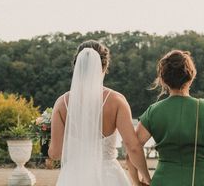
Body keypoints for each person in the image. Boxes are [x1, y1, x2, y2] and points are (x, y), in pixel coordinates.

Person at [49, 40, 151, 186]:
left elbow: (55, 153)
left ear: (77, 66)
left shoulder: (61, 103)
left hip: (73, 176)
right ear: (105, 65)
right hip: (108, 176)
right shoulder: (116, 100)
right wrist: (145, 177)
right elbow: (132, 146)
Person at [128, 50, 204, 186]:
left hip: (164, 180)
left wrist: (142, 180)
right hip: (201, 180)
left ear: (163, 80)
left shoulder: (153, 111)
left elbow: (133, 149)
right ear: (191, 76)